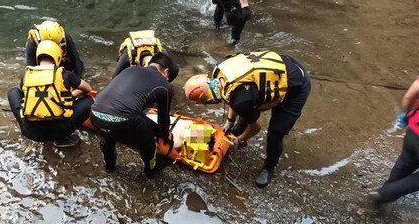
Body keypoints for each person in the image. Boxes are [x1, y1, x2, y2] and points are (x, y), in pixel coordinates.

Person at [184, 50, 311, 187]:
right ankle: (239, 125)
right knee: (245, 106)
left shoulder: (240, 101)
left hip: (296, 85)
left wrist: (241, 139)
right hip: (282, 66)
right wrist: (230, 122)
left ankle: (269, 167)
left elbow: (257, 126)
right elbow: (231, 92)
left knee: (275, 133)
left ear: (208, 100)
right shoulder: (219, 71)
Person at [91, 52, 174, 177]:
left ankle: (109, 166)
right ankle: (150, 170)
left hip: (95, 114)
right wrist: (164, 136)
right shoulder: (165, 84)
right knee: (148, 142)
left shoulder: (129, 70)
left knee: (107, 135)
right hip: (124, 121)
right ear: (166, 71)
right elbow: (163, 118)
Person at [8, 40, 93, 147]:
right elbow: (88, 88)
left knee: (13, 92)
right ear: (57, 57)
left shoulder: (27, 75)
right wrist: (71, 96)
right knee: (89, 100)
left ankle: (28, 123)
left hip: (31, 132)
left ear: (38, 58)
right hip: (61, 130)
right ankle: (64, 139)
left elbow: (24, 93)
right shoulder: (65, 74)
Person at [370, 76, 419, 203]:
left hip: (413, 131)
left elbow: (409, 97)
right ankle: (385, 193)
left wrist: (407, 114)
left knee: (405, 162)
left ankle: (385, 190)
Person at [113, 30, 179, 83]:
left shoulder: (160, 55)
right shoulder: (126, 59)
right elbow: (114, 81)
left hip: (150, 51)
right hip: (132, 54)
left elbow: (175, 69)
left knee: (174, 69)